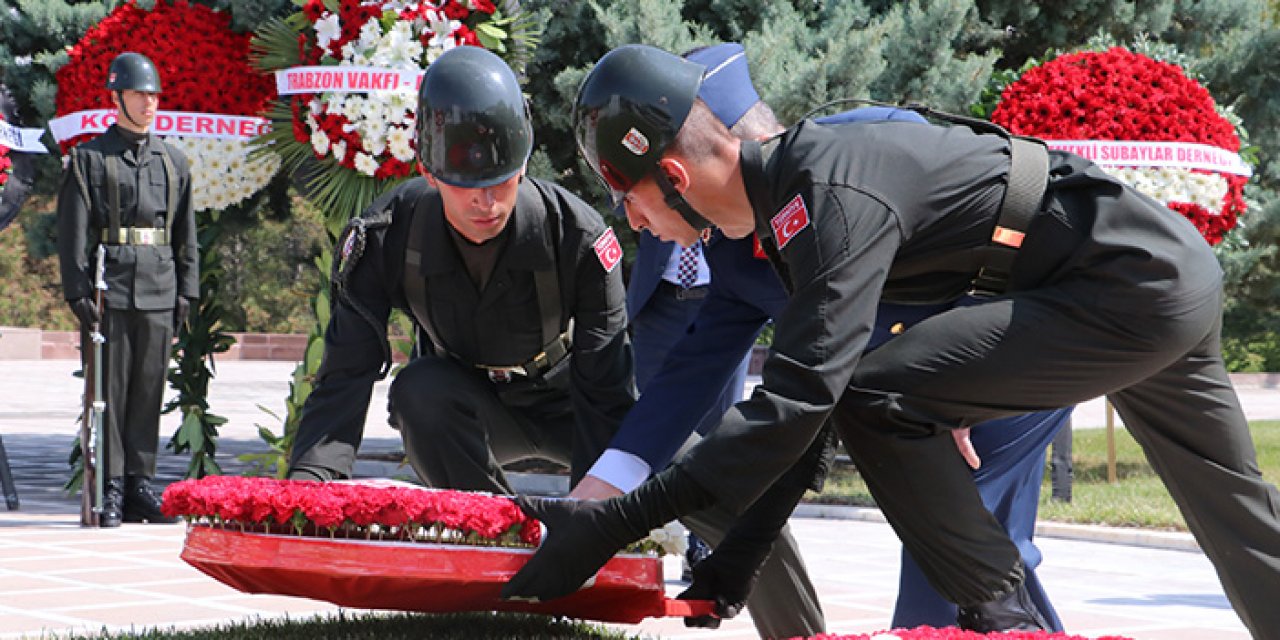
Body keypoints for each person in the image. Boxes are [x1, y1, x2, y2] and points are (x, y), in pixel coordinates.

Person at [503, 44, 1280, 636]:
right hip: (1152, 270)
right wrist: (739, 556)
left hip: (1117, 285)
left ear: (674, 173)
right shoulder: (791, 201)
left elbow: (808, 397)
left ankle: (1008, 623)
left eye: (631, 199)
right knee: (1243, 525)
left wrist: (615, 522)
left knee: (884, 398)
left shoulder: (823, 193)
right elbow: (814, 395)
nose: (634, 224)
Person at [572, 43, 1069, 632]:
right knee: (977, 570)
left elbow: (994, 224)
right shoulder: (736, 246)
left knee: (954, 559)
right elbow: (691, 372)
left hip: (1016, 336)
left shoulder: (871, 142)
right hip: (910, 401)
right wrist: (600, 493)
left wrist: (960, 388)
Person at [286, 46, 636, 497]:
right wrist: (309, 485)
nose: (486, 204)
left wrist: (593, 523)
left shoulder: (577, 235)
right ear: (429, 174)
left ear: (524, 164)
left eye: (500, 182)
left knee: (685, 462)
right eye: (466, 187)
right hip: (467, 406)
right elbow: (345, 374)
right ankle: (487, 533)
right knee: (419, 391)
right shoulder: (388, 236)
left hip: (573, 402)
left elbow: (607, 394)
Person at [56, 52, 197, 528]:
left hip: (159, 286)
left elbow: (185, 234)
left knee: (148, 390)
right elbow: (73, 231)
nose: (149, 102)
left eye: (154, 94)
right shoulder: (89, 159)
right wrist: (77, 292)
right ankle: (111, 486)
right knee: (110, 392)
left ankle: (140, 484)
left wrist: (187, 293)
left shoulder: (174, 162)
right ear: (116, 97)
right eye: (139, 94)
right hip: (110, 287)